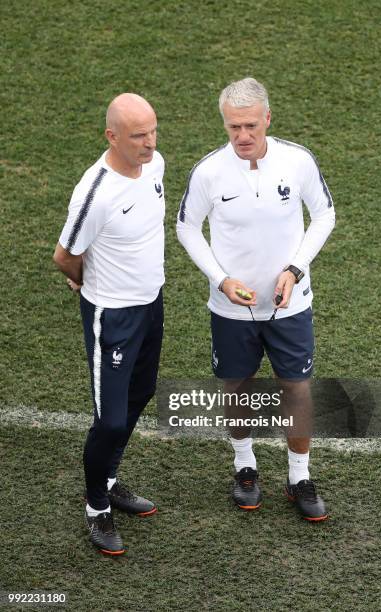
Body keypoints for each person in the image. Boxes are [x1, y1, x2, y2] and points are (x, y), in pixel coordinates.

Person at [177, 77, 335, 521]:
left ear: (267, 118)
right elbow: (187, 226)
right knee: (237, 386)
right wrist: (221, 278)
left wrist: (295, 268)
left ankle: (299, 476)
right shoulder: (209, 171)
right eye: (233, 128)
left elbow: (324, 214)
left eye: (250, 125)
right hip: (231, 308)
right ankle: (244, 466)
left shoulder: (297, 161)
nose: (242, 136)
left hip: (291, 303)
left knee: (296, 389)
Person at [53, 93, 165, 554]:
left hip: (151, 304)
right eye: (138, 135)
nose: (149, 142)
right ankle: (97, 506)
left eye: (153, 131)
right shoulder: (94, 193)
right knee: (111, 419)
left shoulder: (155, 165)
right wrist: (87, 285)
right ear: (111, 136)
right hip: (112, 317)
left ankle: (110, 477)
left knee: (141, 393)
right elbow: (65, 256)